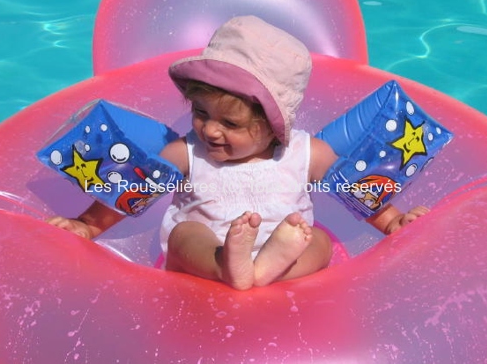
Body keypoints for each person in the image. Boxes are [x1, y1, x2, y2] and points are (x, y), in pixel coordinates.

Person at [47, 16, 427, 290]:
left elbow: (356, 186)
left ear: (274, 124)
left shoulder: (304, 152)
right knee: (185, 233)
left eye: (230, 124)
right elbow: (131, 188)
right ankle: (228, 267)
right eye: (200, 113)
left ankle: (261, 271)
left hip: (279, 253)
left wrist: (393, 222)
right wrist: (88, 225)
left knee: (320, 242)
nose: (210, 130)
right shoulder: (187, 154)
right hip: (206, 258)